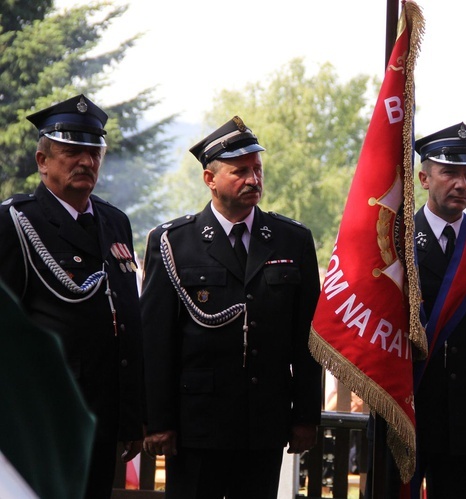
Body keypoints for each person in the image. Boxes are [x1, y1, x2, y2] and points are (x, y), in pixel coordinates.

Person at [140, 116, 322, 498]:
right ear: (210, 179)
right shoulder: (173, 242)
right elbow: (156, 342)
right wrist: (158, 421)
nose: (254, 180)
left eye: (257, 169)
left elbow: (309, 341)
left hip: (264, 424)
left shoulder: (292, 240)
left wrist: (306, 416)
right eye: (240, 171)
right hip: (196, 427)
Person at [0, 94, 144, 498]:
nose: (86, 161)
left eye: (94, 151)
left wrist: (131, 419)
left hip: (104, 414)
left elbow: (127, 321)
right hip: (45, 415)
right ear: (42, 161)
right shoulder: (15, 221)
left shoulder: (115, 221)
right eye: (71, 152)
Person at [370, 122, 466, 499]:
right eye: (450, 172)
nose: (461, 184)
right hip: (406, 413)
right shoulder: (393, 242)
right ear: (423, 177)